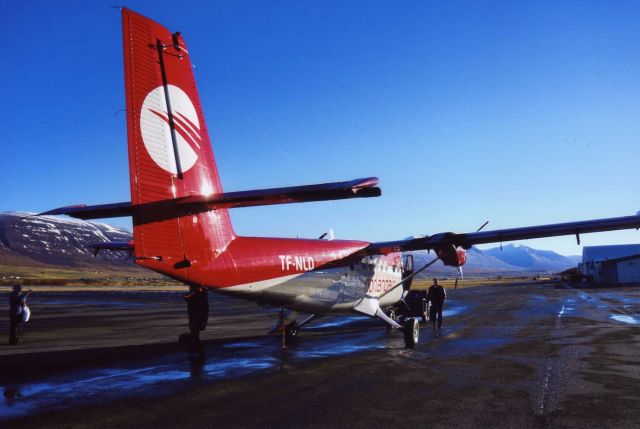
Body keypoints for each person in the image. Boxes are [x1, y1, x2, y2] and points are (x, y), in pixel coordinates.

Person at [183, 285, 209, 356]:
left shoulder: (197, 297)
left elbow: (188, 299)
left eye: (191, 288)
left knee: (195, 336)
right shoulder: (201, 296)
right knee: (195, 336)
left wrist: (188, 297)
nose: (190, 289)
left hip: (196, 319)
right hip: (197, 319)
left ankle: (199, 352)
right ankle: (197, 351)